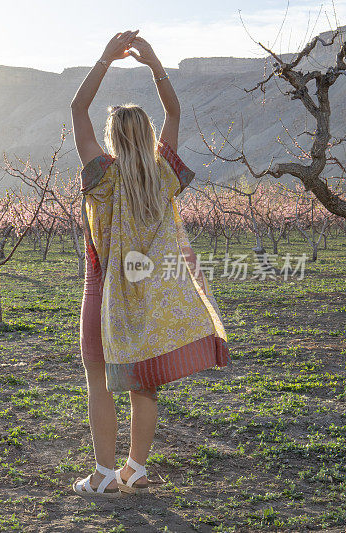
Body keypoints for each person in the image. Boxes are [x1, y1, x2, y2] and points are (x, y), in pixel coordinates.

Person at [69, 31, 231, 498]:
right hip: (153, 290)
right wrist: (155, 62)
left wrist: (103, 58)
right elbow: (175, 113)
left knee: (98, 379)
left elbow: (78, 111)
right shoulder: (164, 175)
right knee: (144, 380)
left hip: (105, 290)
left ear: (113, 138)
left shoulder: (102, 178)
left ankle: (102, 473)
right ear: (148, 136)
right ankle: (135, 467)